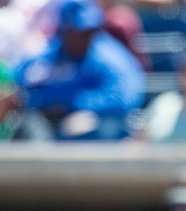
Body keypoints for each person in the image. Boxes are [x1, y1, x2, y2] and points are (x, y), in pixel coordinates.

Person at [13, 0, 144, 141]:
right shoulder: (50, 55)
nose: (84, 38)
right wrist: (47, 104)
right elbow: (20, 85)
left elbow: (126, 98)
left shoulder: (110, 56)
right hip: (52, 126)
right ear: (64, 31)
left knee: (102, 127)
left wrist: (80, 107)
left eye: (89, 31)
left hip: (99, 127)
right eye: (77, 32)